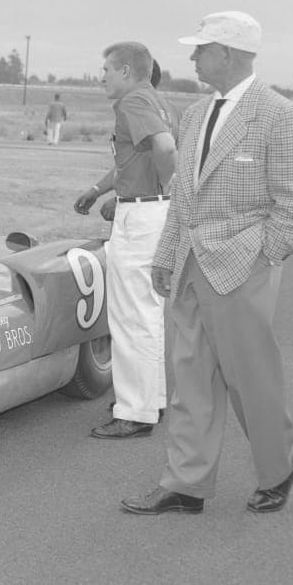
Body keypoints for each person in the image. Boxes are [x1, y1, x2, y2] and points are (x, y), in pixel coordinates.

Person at [122, 11, 293, 516]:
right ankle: (186, 485)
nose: (192, 57)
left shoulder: (281, 115)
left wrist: (264, 257)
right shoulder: (193, 115)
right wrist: (166, 257)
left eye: (201, 49)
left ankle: (278, 468)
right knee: (189, 380)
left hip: (242, 266)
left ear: (227, 53)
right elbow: (182, 199)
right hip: (190, 266)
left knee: (251, 379)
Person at [74, 43, 177, 439]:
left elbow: (166, 150)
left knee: (131, 317)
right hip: (149, 207)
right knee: (146, 314)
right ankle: (151, 400)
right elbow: (136, 158)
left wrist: (175, 192)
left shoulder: (133, 102)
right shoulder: (157, 100)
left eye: (106, 70)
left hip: (143, 214)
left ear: (126, 71)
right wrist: (101, 189)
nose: (101, 77)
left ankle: (135, 412)